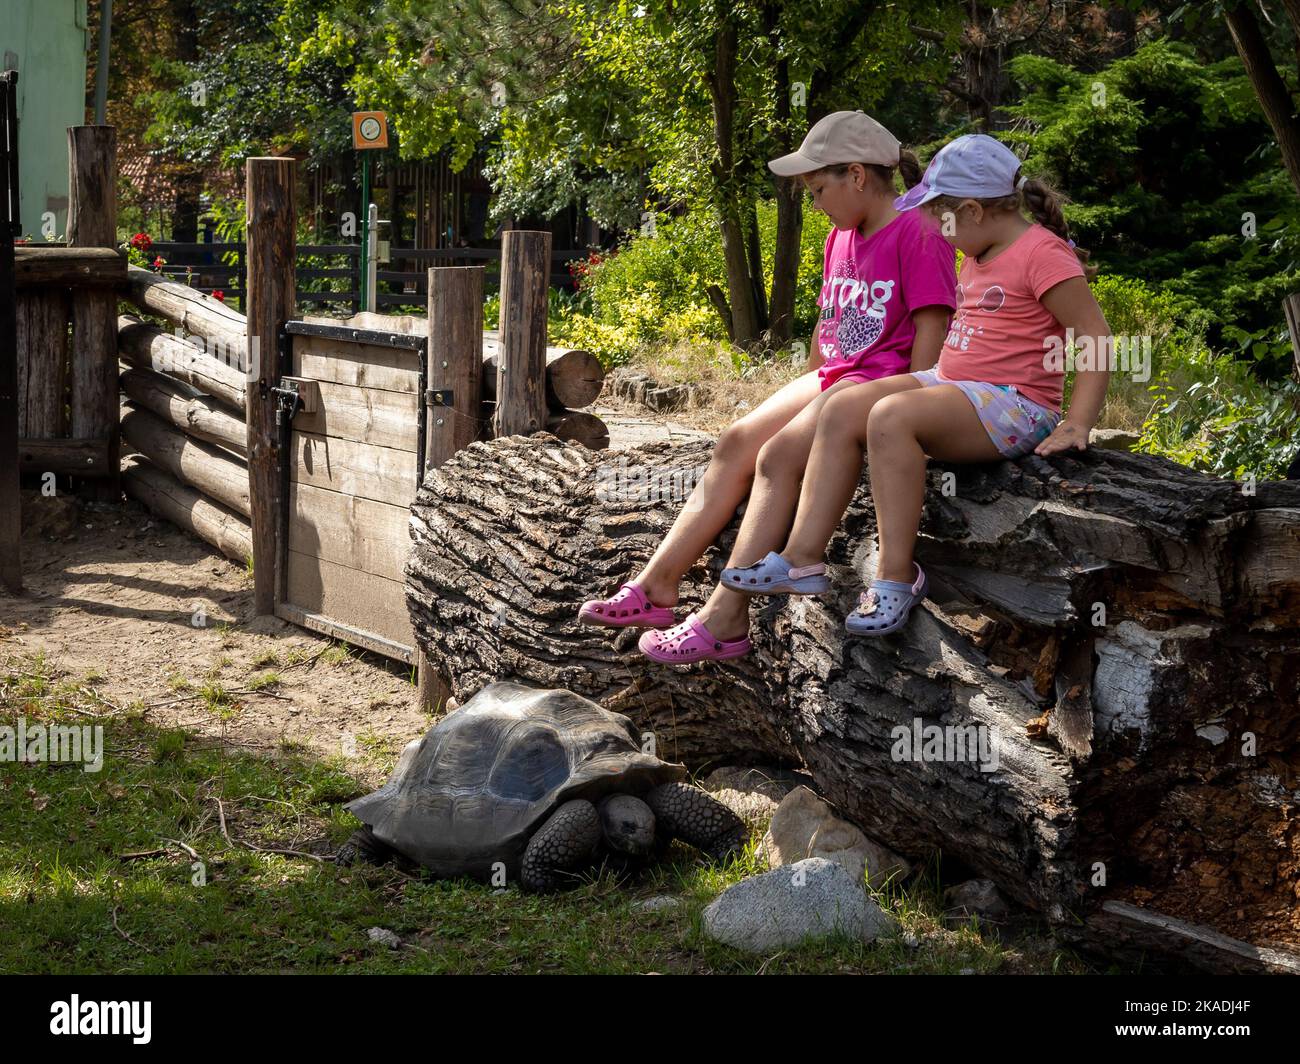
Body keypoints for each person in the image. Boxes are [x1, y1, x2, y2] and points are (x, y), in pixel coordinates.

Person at [576, 110, 958, 662]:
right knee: (736, 440)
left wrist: (903, 407)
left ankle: (724, 616)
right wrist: (800, 396)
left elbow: (932, 331)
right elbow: (827, 335)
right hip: (834, 378)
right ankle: (657, 584)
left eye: (817, 187)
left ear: (856, 175)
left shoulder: (918, 231)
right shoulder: (840, 237)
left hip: (878, 385)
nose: (814, 200)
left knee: (777, 456)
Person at [718, 133, 1112, 639]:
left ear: (971, 210)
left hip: (1014, 405)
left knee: (890, 416)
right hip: (955, 387)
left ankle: (896, 575)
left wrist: (1079, 421)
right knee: (840, 404)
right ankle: (801, 558)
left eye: (940, 218)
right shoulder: (979, 247)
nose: (935, 231)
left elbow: (1094, 335)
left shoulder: (1041, 253)